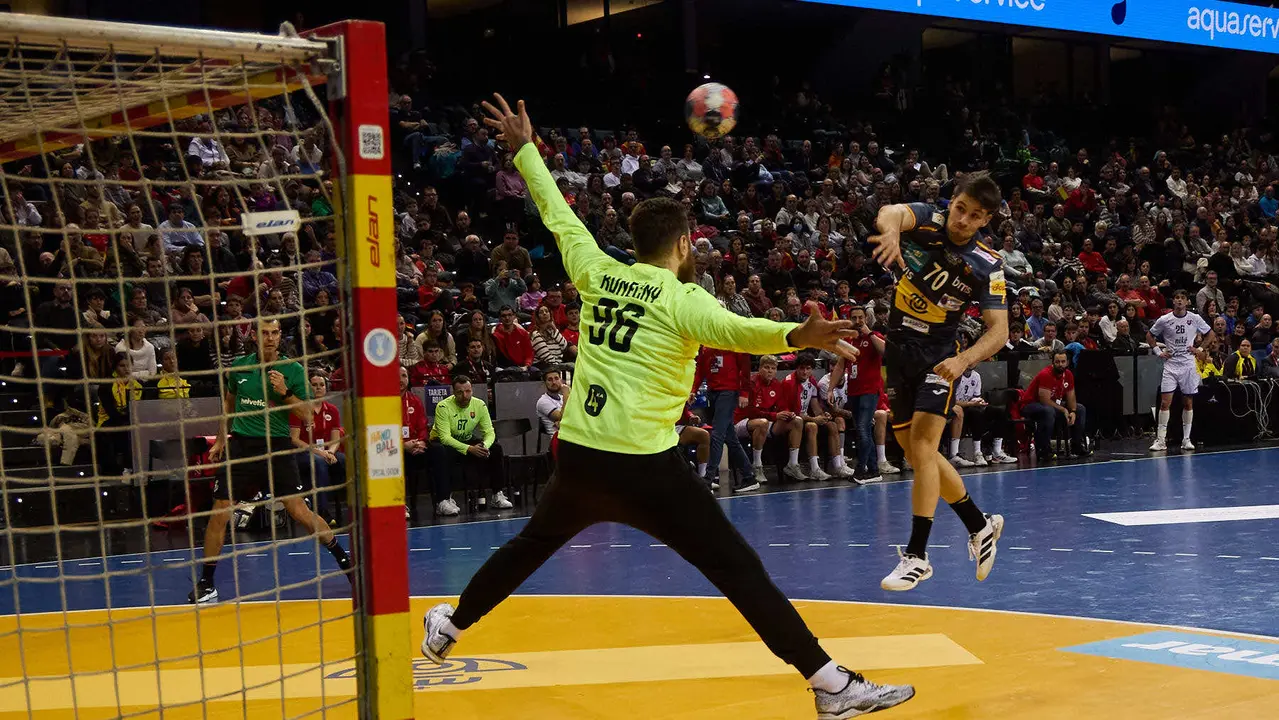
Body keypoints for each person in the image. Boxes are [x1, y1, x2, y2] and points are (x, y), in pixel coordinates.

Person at [422, 96, 913, 718]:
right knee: (736, 568)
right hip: (643, 467)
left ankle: (451, 626)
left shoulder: (597, 271)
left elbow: (558, 214)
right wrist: (800, 335)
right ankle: (831, 686)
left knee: (531, 545)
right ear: (684, 243)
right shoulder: (684, 300)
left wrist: (524, 146)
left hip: (577, 455)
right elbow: (743, 330)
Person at [868, 171, 1008, 593]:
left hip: (939, 356)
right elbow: (890, 212)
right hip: (898, 350)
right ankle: (978, 523)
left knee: (925, 448)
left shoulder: (989, 265)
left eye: (975, 216)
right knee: (915, 454)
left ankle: (917, 555)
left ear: (985, 221)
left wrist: (963, 361)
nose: (963, 220)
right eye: (960, 209)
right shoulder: (927, 219)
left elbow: (998, 331)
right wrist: (891, 233)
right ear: (953, 201)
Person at [189, 318, 351, 604]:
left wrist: (285, 393)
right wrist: (222, 439)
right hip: (241, 445)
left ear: (279, 336)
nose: (270, 338)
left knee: (299, 513)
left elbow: (306, 416)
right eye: (264, 333)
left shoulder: (293, 370)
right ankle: (207, 583)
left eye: (274, 332)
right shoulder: (239, 366)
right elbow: (229, 403)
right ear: (254, 335)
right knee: (219, 514)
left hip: (276, 448)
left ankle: (348, 566)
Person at [427, 374, 513, 512]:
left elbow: (489, 432)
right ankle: (443, 501)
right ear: (454, 393)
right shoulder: (443, 406)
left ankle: (497, 495)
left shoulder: (479, 404)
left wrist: (485, 446)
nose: (464, 395)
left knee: (495, 448)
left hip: (466, 439)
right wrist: (469, 449)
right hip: (443, 443)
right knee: (441, 452)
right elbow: (445, 438)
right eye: (460, 392)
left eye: (468, 391)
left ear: (472, 390)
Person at [1145, 289, 1214, 452]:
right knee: (1164, 403)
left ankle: (1186, 439)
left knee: (1188, 402)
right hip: (1171, 365)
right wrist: (1158, 352)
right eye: (1177, 298)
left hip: (1188, 365)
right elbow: (1149, 336)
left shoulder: (1194, 318)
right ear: (1173, 301)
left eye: (1183, 298)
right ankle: (1161, 440)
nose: (1180, 301)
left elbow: (1210, 334)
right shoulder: (1165, 319)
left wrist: (1200, 349)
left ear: (1187, 302)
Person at [825, 304, 887, 482]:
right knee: (863, 429)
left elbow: (884, 351)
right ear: (849, 320)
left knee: (862, 428)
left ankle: (860, 470)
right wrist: (830, 388)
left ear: (866, 319)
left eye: (861, 317)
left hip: (870, 391)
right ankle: (874, 471)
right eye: (854, 318)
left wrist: (869, 333)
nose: (858, 321)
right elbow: (840, 365)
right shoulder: (848, 340)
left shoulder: (874, 336)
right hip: (854, 391)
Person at [691, 346, 756, 492]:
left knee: (717, 434)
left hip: (728, 392)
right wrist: (693, 390)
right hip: (712, 393)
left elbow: (745, 367)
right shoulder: (706, 344)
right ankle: (749, 476)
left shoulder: (733, 341)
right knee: (730, 438)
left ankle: (708, 479)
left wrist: (744, 392)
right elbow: (700, 369)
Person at [290, 373, 346, 524]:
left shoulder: (332, 410)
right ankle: (322, 511)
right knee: (319, 462)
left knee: (344, 460)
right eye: (314, 385)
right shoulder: (300, 409)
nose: (318, 388)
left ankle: (353, 507)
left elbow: (336, 440)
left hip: (325, 451)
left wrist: (330, 452)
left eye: (321, 385)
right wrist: (320, 452)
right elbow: (294, 439)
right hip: (303, 453)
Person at [1019, 350, 1088, 461]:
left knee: (1080, 409)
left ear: (1067, 362)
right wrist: (1064, 410)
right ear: (1053, 363)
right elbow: (1044, 400)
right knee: (1048, 411)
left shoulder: (1068, 375)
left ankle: (1077, 446)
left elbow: (1071, 396)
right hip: (1031, 405)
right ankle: (1043, 450)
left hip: (1053, 404)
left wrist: (1073, 411)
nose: (1060, 364)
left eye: (1063, 362)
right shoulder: (1046, 374)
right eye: (1057, 362)